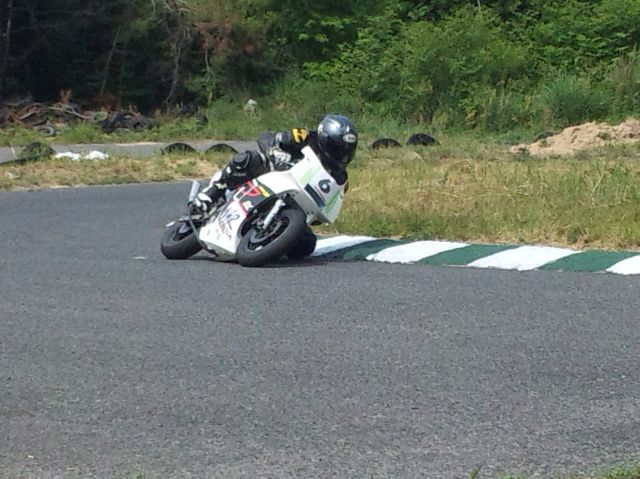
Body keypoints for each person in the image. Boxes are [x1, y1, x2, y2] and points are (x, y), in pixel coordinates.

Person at [193, 114, 358, 213]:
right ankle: (214, 191)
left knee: (306, 245)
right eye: (337, 147)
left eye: (347, 149)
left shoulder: (341, 179)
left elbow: (328, 208)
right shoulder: (304, 136)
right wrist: (274, 150)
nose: (342, 154)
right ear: (324, 138)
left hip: (293, 203)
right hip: (270, 176)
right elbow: (266, 136)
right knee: (249, 159)